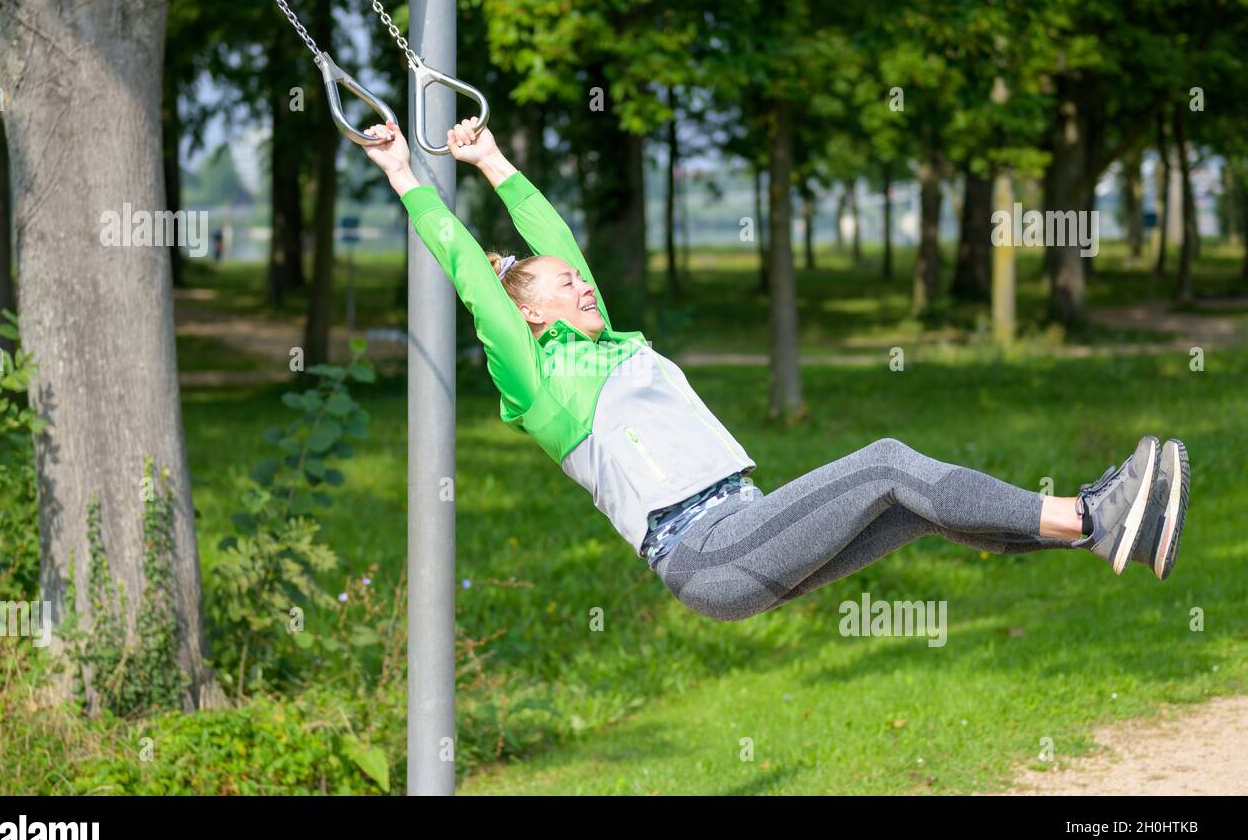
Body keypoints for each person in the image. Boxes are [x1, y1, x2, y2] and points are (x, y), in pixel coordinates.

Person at [360, 117, 1190, 622]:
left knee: (914, 504)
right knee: (890, 461)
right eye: (558, 283)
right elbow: (474, 275)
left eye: (577, 276)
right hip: (705, 552)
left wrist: (494, 163)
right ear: (531, 316)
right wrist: (407, 175)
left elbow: (557, 236)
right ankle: (1091, 514)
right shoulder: (538, 386)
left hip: (743, 530)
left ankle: (1105, 533)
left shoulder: (609, 339)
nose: (578, 279)